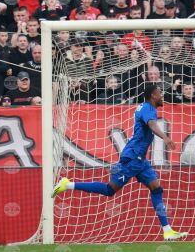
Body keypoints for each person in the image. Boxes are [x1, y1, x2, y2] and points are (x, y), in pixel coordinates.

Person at [51, 84, 187, 241]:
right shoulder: (147, 109)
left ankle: (167, 231)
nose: (162, 96)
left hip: (141, 160)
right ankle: (67, 185)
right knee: (110, 190)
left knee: (156, 189)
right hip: (132, 158)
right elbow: (151, 124)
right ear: (153, 96)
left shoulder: (145, 107)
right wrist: (165, 137)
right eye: (160, 93)